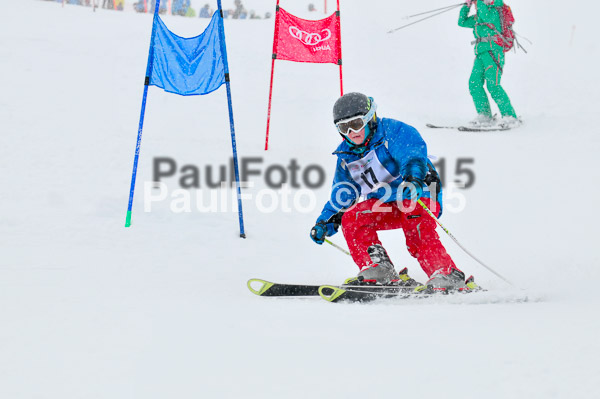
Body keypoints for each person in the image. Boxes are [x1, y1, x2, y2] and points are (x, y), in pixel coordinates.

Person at [309, 93, 478, 293]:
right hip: (385, 205)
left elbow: (412, 156)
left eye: (357, 123)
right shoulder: (346, 156)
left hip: (418, 194)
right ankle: (379, 269)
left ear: (371, 118)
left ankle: (445, 272)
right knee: (352, 217)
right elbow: (343, 194)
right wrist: (325, 221)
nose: (352, 132)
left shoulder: (393, 132)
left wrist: (413, 178)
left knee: (413, 215)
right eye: (344, 128)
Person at [458, 0, 519, 128]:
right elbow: (462, 22)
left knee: (493, 86)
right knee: (474, 83)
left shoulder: (495, 11)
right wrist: (466, 6)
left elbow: (487, 17)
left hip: (494, 51)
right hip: (481, 53)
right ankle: (484, 115)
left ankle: (510, 116)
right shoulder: (479, 16)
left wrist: (478, 2)